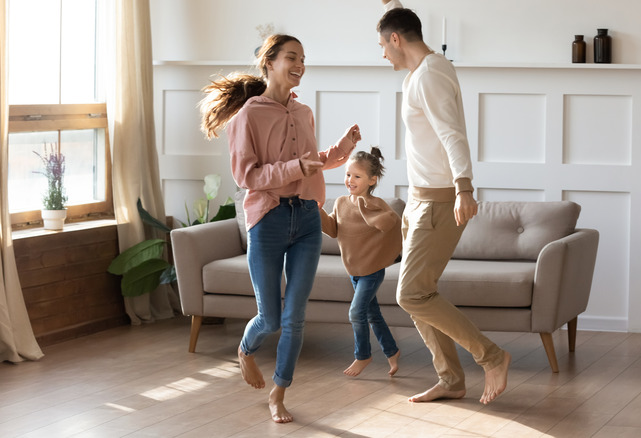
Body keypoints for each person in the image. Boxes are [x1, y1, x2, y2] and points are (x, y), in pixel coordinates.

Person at [199, 34, 361, 423]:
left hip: (306, 218)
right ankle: (245, 349)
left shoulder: (303, 113)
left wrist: (339, 150)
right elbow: (246, 176)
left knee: (294, 318)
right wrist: (295, 169)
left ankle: (279, 393)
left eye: (303, 58)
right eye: (292, 57)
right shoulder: (248, 115)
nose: (300, 63)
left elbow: (309, 161)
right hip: (268, 221)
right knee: (269, 318)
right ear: (268, 62)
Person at [377, 1, 512, 405]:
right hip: (418, 199)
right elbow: (395, 21)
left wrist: (464, 188)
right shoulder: (424, 69)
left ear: (397, 40)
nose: (382, 53)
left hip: (438, 201)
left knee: (411, 294)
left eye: (382, 44)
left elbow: (453, 134)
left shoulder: (430, 76)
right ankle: (451, 379)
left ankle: (492, 356)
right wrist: (390, 5)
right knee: (421, 294)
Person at [319, 147, 402, 378]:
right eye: (348, 174)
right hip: (353, 269)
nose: (350, 180)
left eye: (357, 176)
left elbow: (389, 223)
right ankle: (392, 351)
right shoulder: (341, 202)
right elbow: (334, 230)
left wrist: (366, 209)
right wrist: (318, 213)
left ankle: (362, 355)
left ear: (372, 180)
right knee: (371, 314)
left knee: (356, 312)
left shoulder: (376, 204)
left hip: (372, 270)